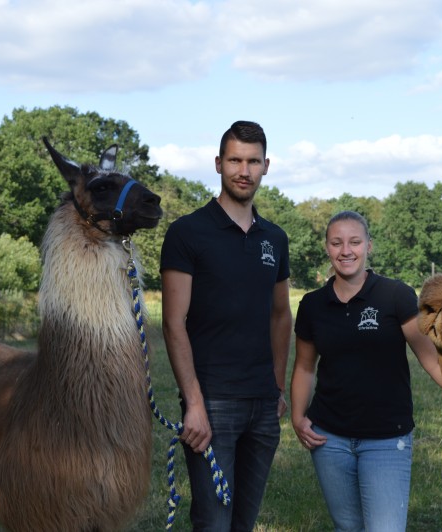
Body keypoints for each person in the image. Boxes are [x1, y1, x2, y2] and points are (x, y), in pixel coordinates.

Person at [290, 210, 442, 532]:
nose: (346, 250)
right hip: (329, 438)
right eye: (337, 243)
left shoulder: (394, 295)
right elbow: (305, 367)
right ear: (327, 247)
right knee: (347, 526)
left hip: (387, 439)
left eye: (354, 242)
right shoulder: (312, 304)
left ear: (369, 246)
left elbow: (433, 360)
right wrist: (297, 418)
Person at [160, 120, 292, 531]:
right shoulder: (187, 233)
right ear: (218, 164)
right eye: (235, 159)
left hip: (263, 405)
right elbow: (173, 322)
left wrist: (277, 385)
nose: (244, 170)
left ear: (266, 166)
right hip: (213, 402)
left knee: (243, 523)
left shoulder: (276, 238)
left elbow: (280, 314)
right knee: (214, 523)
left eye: (253, 161)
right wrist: (194, 403)